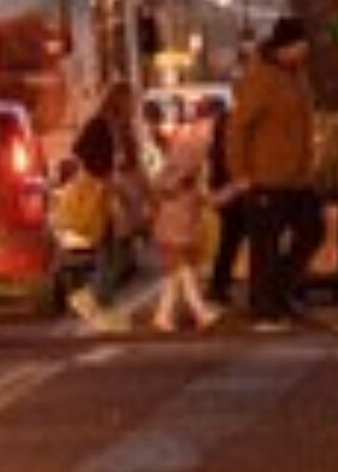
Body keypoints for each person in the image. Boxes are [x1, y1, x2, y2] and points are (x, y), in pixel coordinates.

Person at [231, 17, 321, 331]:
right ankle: (263, 307)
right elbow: (239, 126)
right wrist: (241, 172)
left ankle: (279, 291)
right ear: (287, 46)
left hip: (298, 176)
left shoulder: (299, 76)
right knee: (264, 244)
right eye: (301, 43)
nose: (306, 49)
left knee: (313, 229)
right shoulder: (262, 78)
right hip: (267, 174)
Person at [70, 80, 151, 320]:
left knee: (115, 248)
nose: (132, 106)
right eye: (129, 100)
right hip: (106, 193)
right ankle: (95, 298)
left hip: (120, 193)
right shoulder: (101, 125)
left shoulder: (121, 127)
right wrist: (103, 174)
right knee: (107, 246)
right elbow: (81, 149)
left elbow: (133, 162)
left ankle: (101, 299)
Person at [145, 117, 223, 333]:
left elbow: (211, 200)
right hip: (172, 234)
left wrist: (236, 189)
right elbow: (210, 200)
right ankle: (200, 312)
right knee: (183, 270)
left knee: (175, 275)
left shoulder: (184, 185)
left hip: (177, 233)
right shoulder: (176, 184)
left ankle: (163, 315)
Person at [202, 97, 247, 308]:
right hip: (235, 188)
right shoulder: (233, 124)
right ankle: (219, 285)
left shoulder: (222, 126)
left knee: (230, 239)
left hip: (226, 188)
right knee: (234, 238)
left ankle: (219, 285)